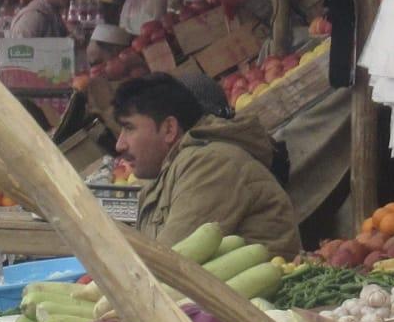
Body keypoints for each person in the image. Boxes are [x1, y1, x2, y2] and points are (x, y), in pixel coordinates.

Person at [113, 74, 301, 258]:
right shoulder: (163, 174)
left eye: (129, 128)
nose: (119, 145)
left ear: (169, 129)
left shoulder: (210, 164)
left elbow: (168, 261)